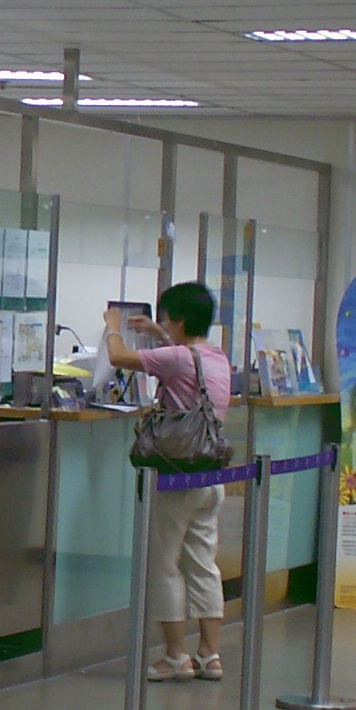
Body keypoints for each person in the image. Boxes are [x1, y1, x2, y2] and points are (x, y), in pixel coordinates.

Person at [105, 282, 232, 682]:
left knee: (164, 565)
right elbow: (183, 355)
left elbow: (118, 355)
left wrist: (113, 324)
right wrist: (161, 334)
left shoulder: (176, 359)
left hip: (176, 479)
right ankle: (210, 654)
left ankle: (176, 656)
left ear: (178, 320)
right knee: (203, 564)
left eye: (166, 319)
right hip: (210, 478)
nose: (164, 325)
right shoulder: (217, 358)